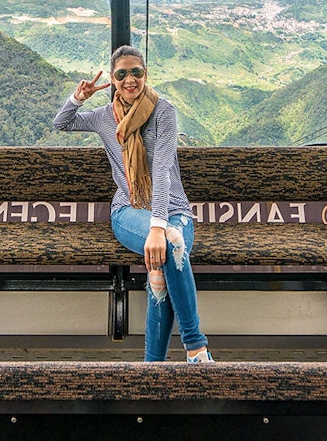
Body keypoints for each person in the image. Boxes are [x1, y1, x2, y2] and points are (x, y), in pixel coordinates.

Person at [53, 45, 213, 363]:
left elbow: (162, 170)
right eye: (122, 74)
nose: (130, 79)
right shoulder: (103, 117)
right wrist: (78, 98)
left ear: (145, 74)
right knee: (172, 246)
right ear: (113, 79)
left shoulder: (163, 111)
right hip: (128, 210)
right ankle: (196, 348)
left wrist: (157, 226)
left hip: (173, 208)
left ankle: (154, 367)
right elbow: (62, 123)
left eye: (136, 72)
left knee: (167, 255)